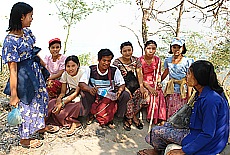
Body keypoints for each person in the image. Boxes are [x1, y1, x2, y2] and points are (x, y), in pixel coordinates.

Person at [138, 60, 229, 155]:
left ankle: (157, 151)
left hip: (209, 143)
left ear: (199, 77)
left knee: (156, 131)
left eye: (189, 73)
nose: (186, 76)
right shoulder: (203, 93)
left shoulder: (211, 100)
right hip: (197, 131)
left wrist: (183, 151)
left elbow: (208, 134)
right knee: (165, 125)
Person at [2, 2, 48, 148]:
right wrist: (14, 94)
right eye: (30, 16)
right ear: (22, 17)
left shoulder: (26, 33)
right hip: (23, 76)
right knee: (26, 106)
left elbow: (32, 50)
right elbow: (13, 70)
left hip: (35, 72)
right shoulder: (10, 41)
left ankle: (40, 127)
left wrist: (41, 62)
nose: (32, 19)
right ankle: (24, 139)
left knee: (41, 98)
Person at [79, 49, 130, 128]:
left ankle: (119, 117)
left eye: (109, 61)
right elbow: (81, 83)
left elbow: (122, 84)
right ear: (99, 60)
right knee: (84, 93)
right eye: (104, 60)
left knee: (125, 95)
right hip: (95, 96)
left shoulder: (114, 70)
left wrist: (119, 91)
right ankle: (88, 114)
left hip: (109, 96)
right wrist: (90, 89)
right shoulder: (91, 69)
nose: (106, 63)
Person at [46, 55, 84, 136]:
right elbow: (63, 92)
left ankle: (74, 123)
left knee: (75, 106)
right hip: (69, 94)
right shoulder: (65, 74)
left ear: (78, 65)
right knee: (52, 102)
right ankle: (44, 122)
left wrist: (62, 104)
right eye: (68, 66)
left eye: (73, 66)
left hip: (79, 95)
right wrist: (59, 100)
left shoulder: (81, 73)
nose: (71, 69)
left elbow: (76, 93)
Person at [113, 41, 146, 131]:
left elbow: (139, 74)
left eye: (129, 50)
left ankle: (132, 116)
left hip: (134, 84)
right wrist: (125, 89)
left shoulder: (136, 60)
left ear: (132, 50)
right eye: (125, 51)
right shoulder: (117, 63)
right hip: (122, 86)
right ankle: (130, 118)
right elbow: (116, 78)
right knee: (127, 97)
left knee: (143, 95)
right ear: (121, 52)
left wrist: (142, 87)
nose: (127, 53)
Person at [162, 37, 194, 118]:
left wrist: (189, 95)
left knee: (181, 110)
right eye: (174, 47)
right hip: (171, 89)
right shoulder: (168, 60)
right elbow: (165, 73)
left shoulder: (187, 61)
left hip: (183, 90)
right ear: (171, 48)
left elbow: (189, 78)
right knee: (171, 109)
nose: (176, 49)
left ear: (182, 48)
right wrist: (158, 82)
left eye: (179, 47)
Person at [138, 40, 167, 125]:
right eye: (149, 48)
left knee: (159, 93)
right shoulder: (140, 60)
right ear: (145, 49)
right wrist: (149, 88)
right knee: (151, 94)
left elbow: (158, 73)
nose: (151, 51)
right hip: (144, 82)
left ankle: (161, 118)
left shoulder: (157, 60)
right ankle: (152, 117)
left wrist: (158, 83)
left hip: (154, 82)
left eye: (153, 48)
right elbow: (139, 76)